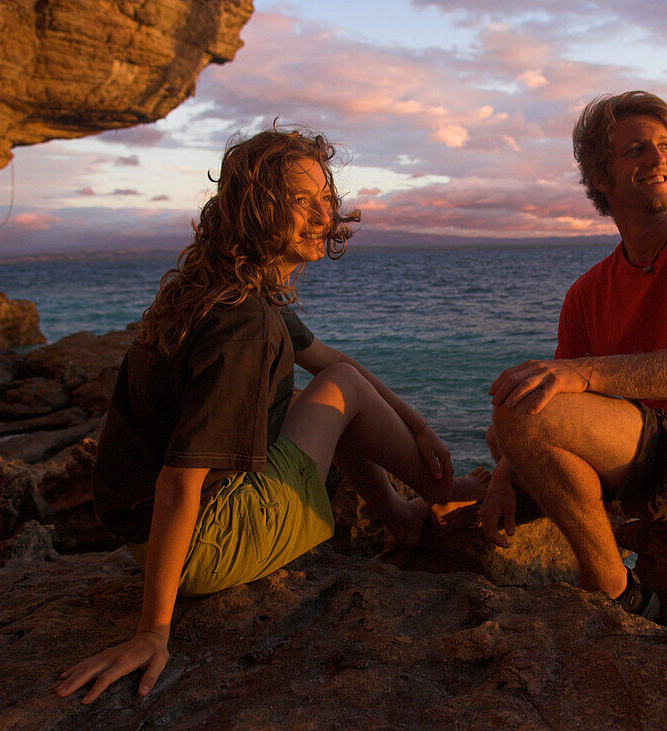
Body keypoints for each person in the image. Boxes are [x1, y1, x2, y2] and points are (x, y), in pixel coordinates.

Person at [56, 124, 487, 704]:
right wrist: (153, 631)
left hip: (153, 542)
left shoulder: (223, 288)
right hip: (205, 546)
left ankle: (407, 511)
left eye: (325, 200)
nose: (321, 216)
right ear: (255, 212)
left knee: (334, 387)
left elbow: (332, 360)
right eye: (299, 202)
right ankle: (417, 506)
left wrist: (417, 424)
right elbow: (180, 480)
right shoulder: (242, 326)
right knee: (336, 391)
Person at [481, 91, 667, 617]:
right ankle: (612, 570)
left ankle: (612, 587)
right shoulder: (589, 291)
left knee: (523, 414)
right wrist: (504, 477)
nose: (659, 159)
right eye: (636, 150)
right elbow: (550, 411)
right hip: (646, 447)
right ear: (601, 179)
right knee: (510, 423)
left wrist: (581, 373)